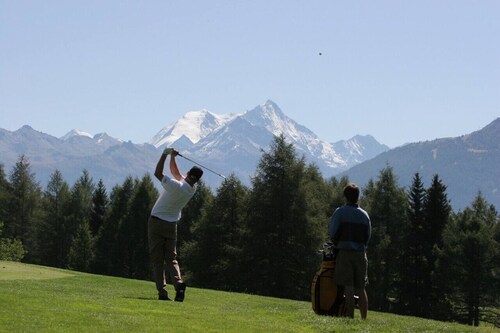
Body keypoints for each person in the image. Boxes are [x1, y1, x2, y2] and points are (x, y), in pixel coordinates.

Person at [148, 147, 203, 301]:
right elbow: (177, 174)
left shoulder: (176, 186)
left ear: (188, 174)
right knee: (172, 258)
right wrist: (173, 157)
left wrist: (164, 155)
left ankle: (162, 292)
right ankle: (178, 284)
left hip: (156, 223)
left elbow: (158, 173)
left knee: (158, 260)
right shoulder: (192, 189)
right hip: (172, 226)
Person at [328, 183, 371, 319]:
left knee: (348, 287)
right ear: (358, 197)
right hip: (360, 253)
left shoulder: (340, 212)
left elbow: (332, 232)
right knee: (361, 287)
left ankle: (350, 317)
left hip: (345, 253)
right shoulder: (365, 215)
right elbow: (367, 237)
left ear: (345, 196)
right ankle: (364, 318)